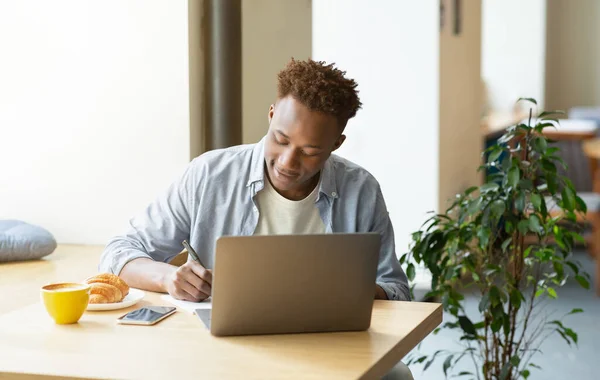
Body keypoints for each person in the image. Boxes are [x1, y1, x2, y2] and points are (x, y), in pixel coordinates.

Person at [99, 58, 413, 379]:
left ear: (336, 144)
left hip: (328, 345)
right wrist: (168, 278)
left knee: (396, 376)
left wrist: (348, 291)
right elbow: (118, 253)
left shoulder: (360, 190)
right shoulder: (209, 175)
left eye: (310, 151)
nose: (288, 162)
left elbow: (398, 290)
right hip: (225, 351)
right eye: (281, 139)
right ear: (271, 114)